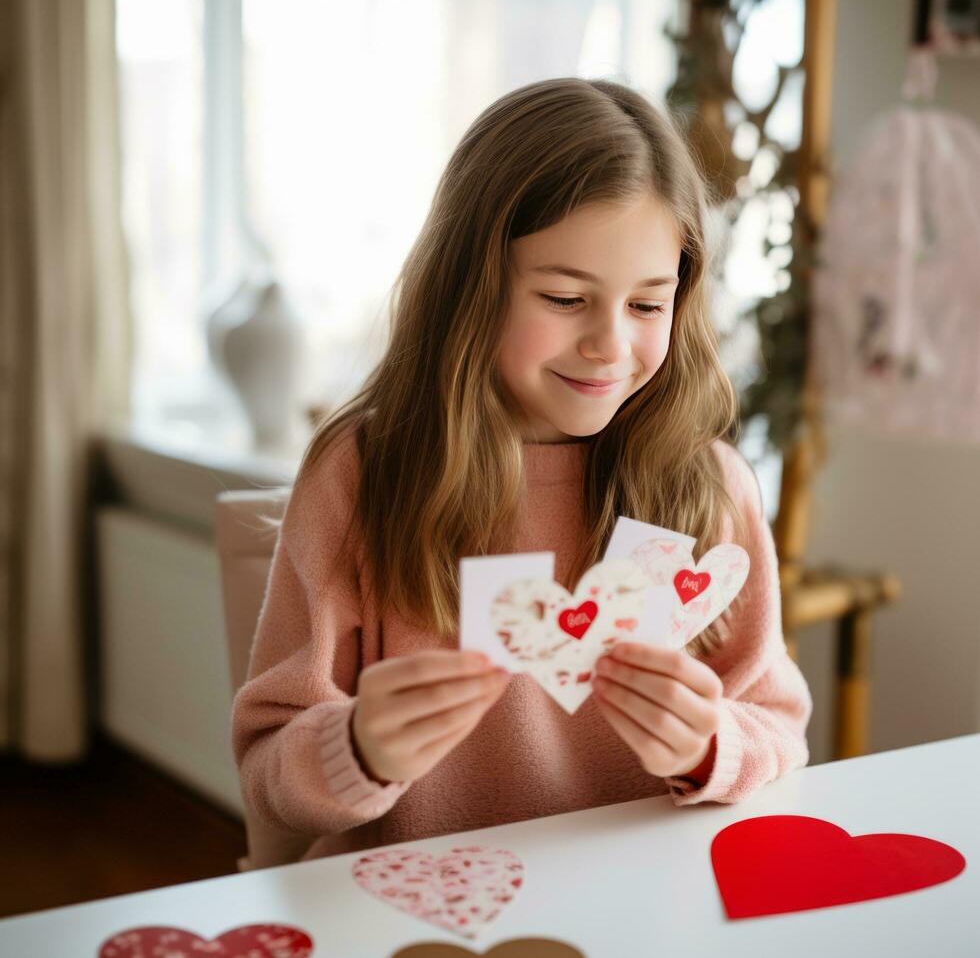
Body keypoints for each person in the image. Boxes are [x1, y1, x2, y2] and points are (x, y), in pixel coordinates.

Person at [231, 76, 813, 863]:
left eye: (648, 306)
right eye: (567, 298)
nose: (611, 345)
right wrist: (356, 747)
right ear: (471, 287)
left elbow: (779, 727)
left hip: (645, 908)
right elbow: (268, 771)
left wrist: (713, 744)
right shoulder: (361, 476)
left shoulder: (706, 485)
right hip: (417, 915)